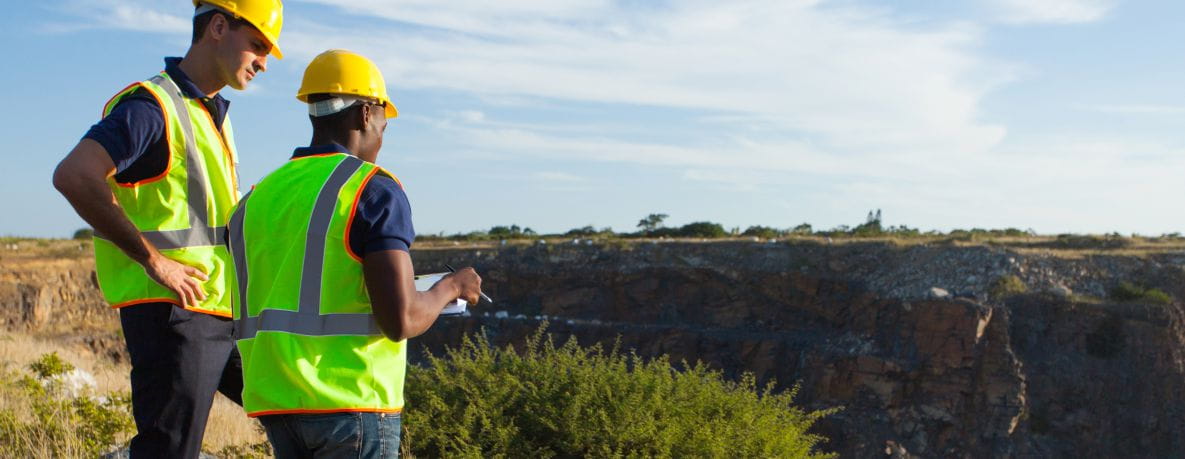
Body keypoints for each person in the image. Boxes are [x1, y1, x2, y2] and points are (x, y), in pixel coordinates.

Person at [51, 1, 283, 457]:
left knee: (290, 409)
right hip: (175, 314)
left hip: (219, 307)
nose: (264, 63)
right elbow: (74, 175)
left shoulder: (212, 112)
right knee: (170, 450)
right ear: (218, 26)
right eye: (257, 45)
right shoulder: (152, 107)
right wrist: (154, 262)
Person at [226, 49, 483, 458]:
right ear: (365, 114)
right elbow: (402, 319)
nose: (383, 135)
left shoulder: (258, 197)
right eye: (384, 122)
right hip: (351, 405)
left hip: (278, 405)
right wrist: (452, 286)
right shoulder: (372, 189)